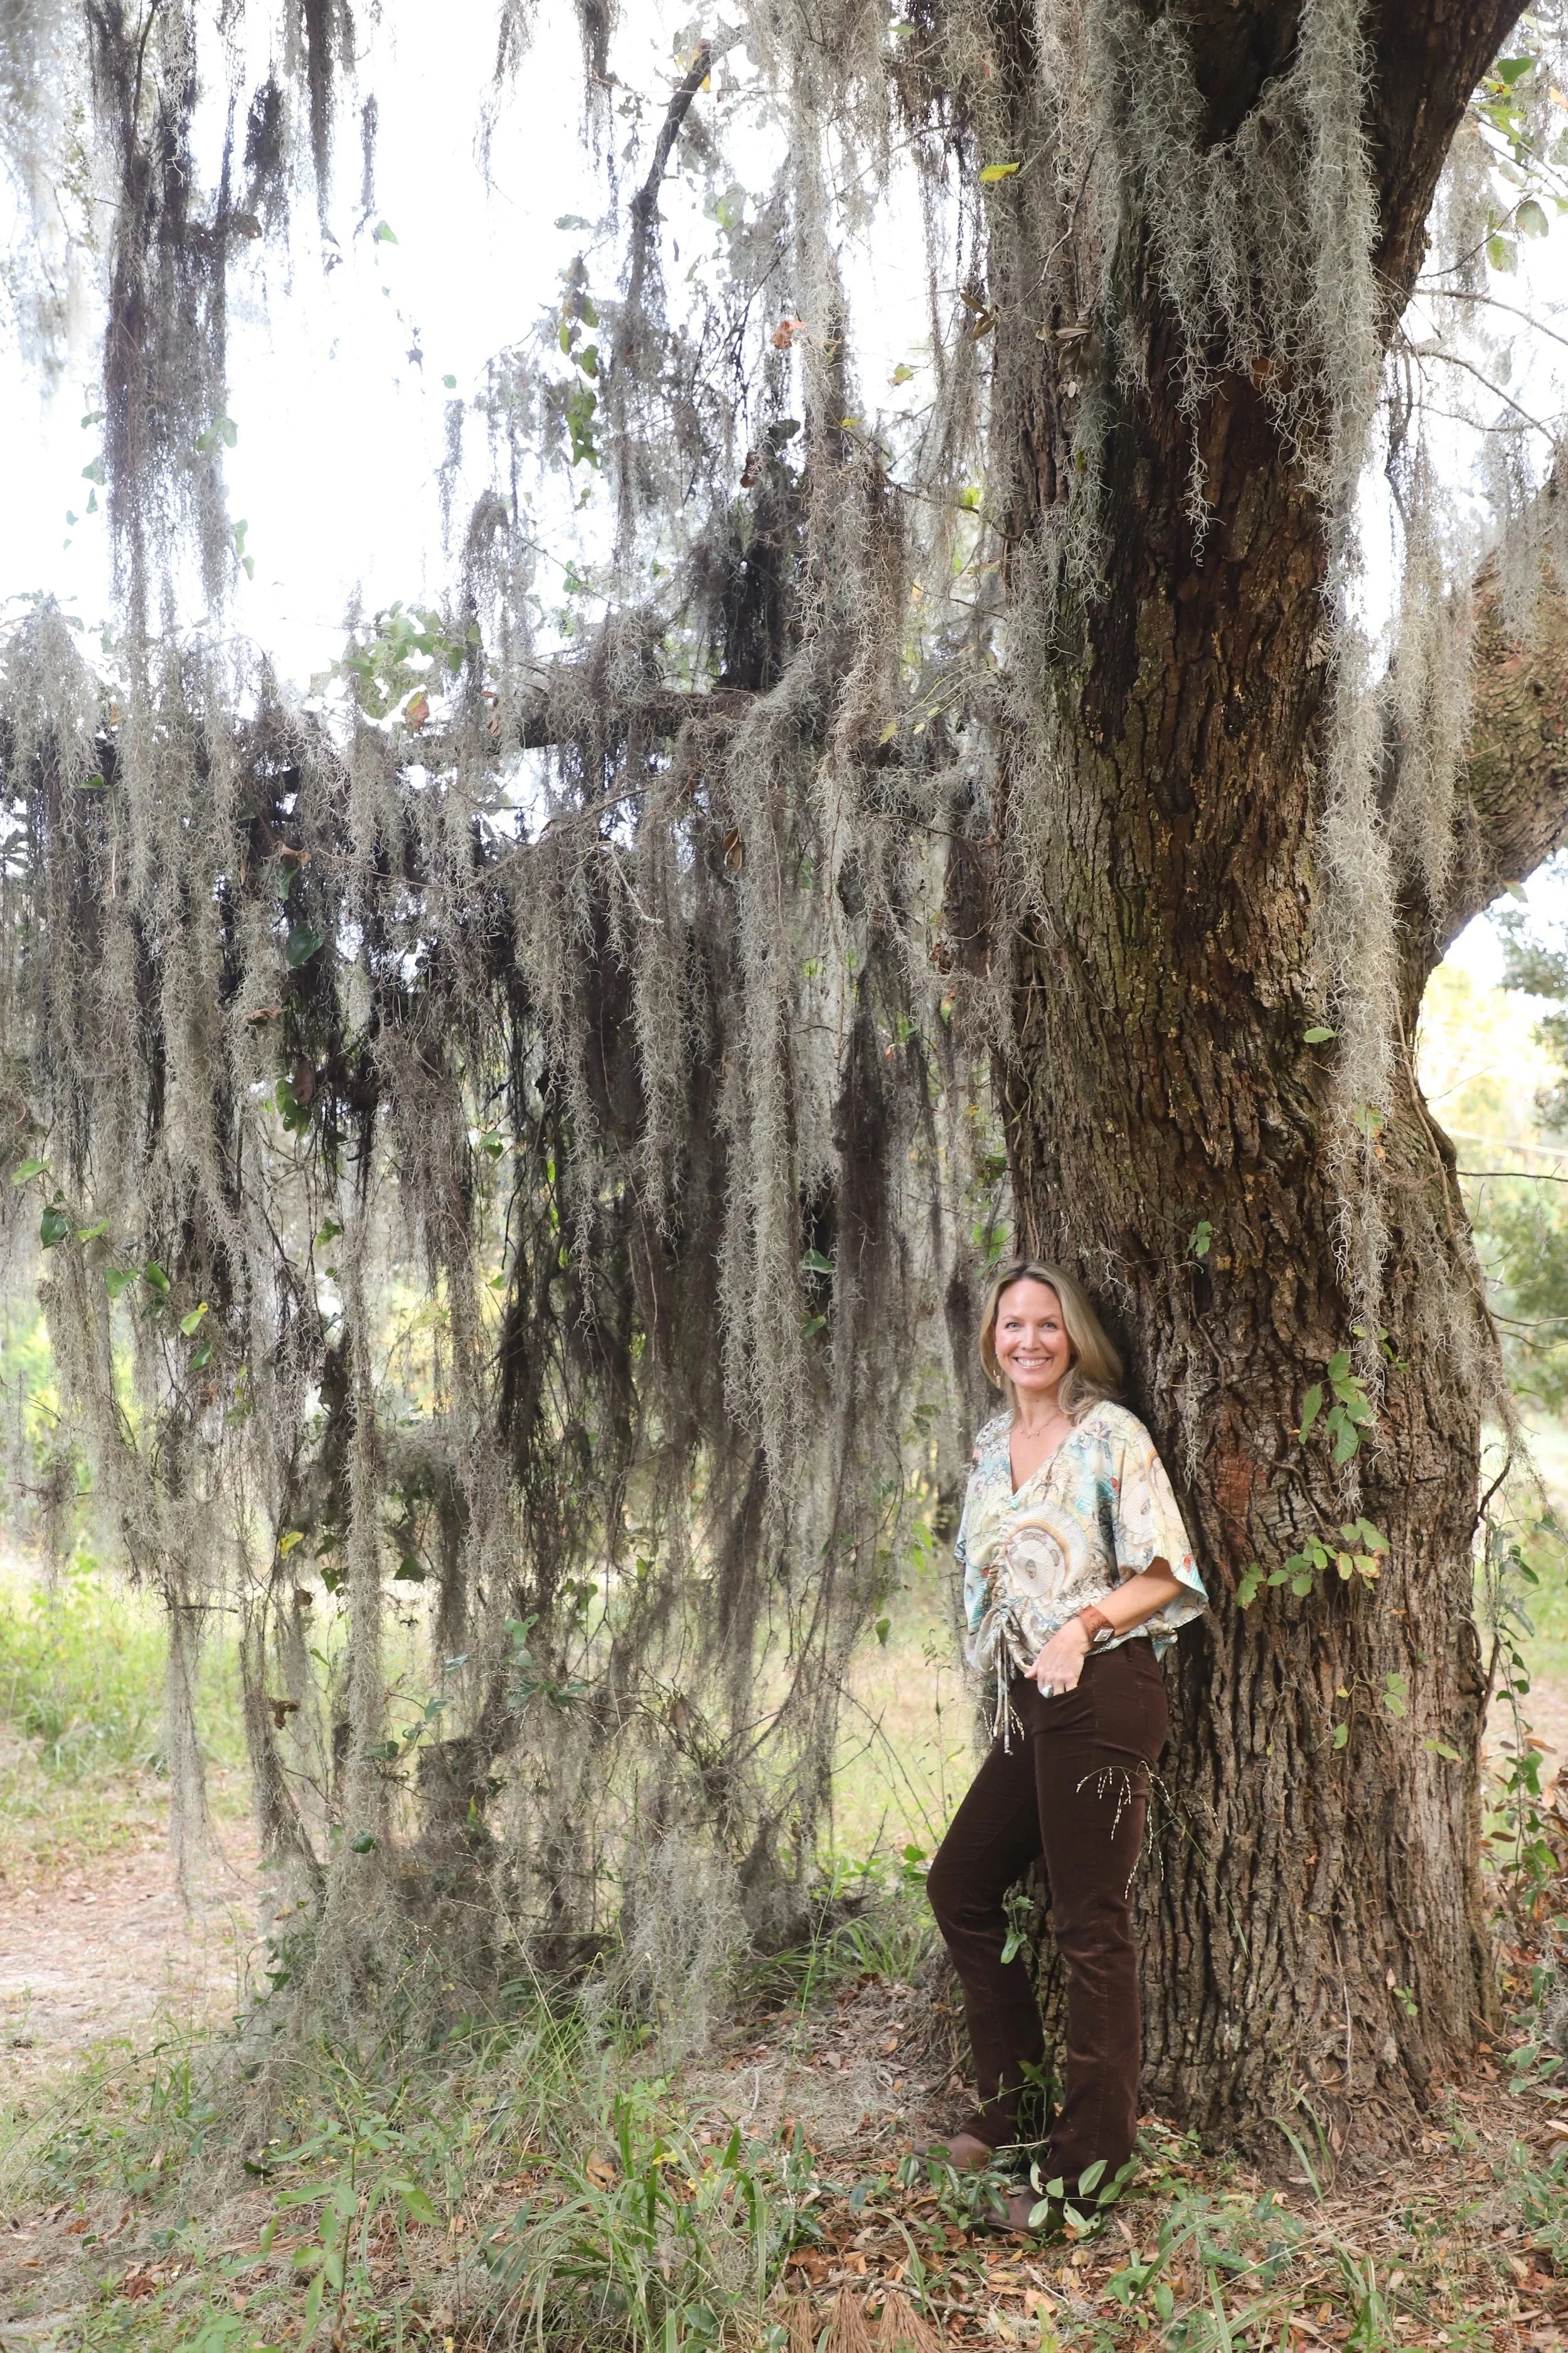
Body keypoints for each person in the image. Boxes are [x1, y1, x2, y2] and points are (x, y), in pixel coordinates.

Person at [925, 1258, 1207, 2230]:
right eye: (1013, 1324)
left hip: (1103, 1687)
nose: (1030, 1340)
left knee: (1090, 1927)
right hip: (1029, 1703)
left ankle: (1084, 2172)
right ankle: (1013, 2110)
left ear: (1073, 1335)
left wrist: (1080, 1625)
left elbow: (1167, 1570)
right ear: (991, 1339)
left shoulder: (1108, 1435)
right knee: (959, 1886)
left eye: (1048, 1324)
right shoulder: (989, 1441)